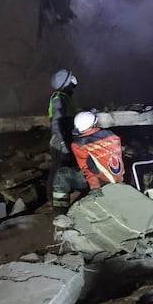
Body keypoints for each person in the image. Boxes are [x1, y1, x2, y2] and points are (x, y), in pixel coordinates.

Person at [47, 69, 86, 210]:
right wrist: (63, 143)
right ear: (65, 83)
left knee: (63, 169)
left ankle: (60, 200)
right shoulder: (59, 98)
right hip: (60, 140)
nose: (74, 80)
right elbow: (57, 122)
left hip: (65, 138)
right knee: (58, 171)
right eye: (70, 79)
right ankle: (56, 204)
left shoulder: (64, 97)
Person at [71, 110, 127, 189]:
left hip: (102, 182)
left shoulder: (78, 145)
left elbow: (86, 168)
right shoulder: (111, 135)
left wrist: (95, 188)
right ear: (94, 123)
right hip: (119, 178)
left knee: (62, 175)